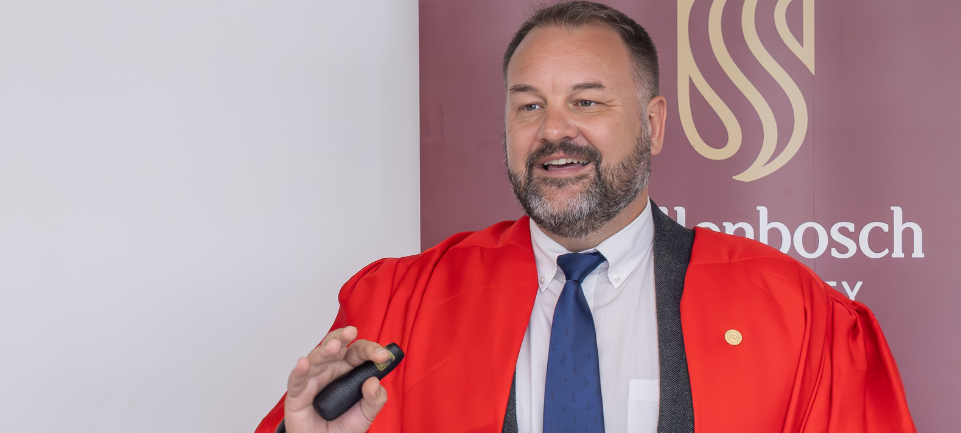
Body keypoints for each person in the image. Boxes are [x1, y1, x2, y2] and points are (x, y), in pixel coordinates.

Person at [254, 2, 915, 432]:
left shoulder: (798, 317)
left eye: (587, 102)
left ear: (653, 124)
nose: (554, 132)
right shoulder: (399, 305)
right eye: (529, 106)